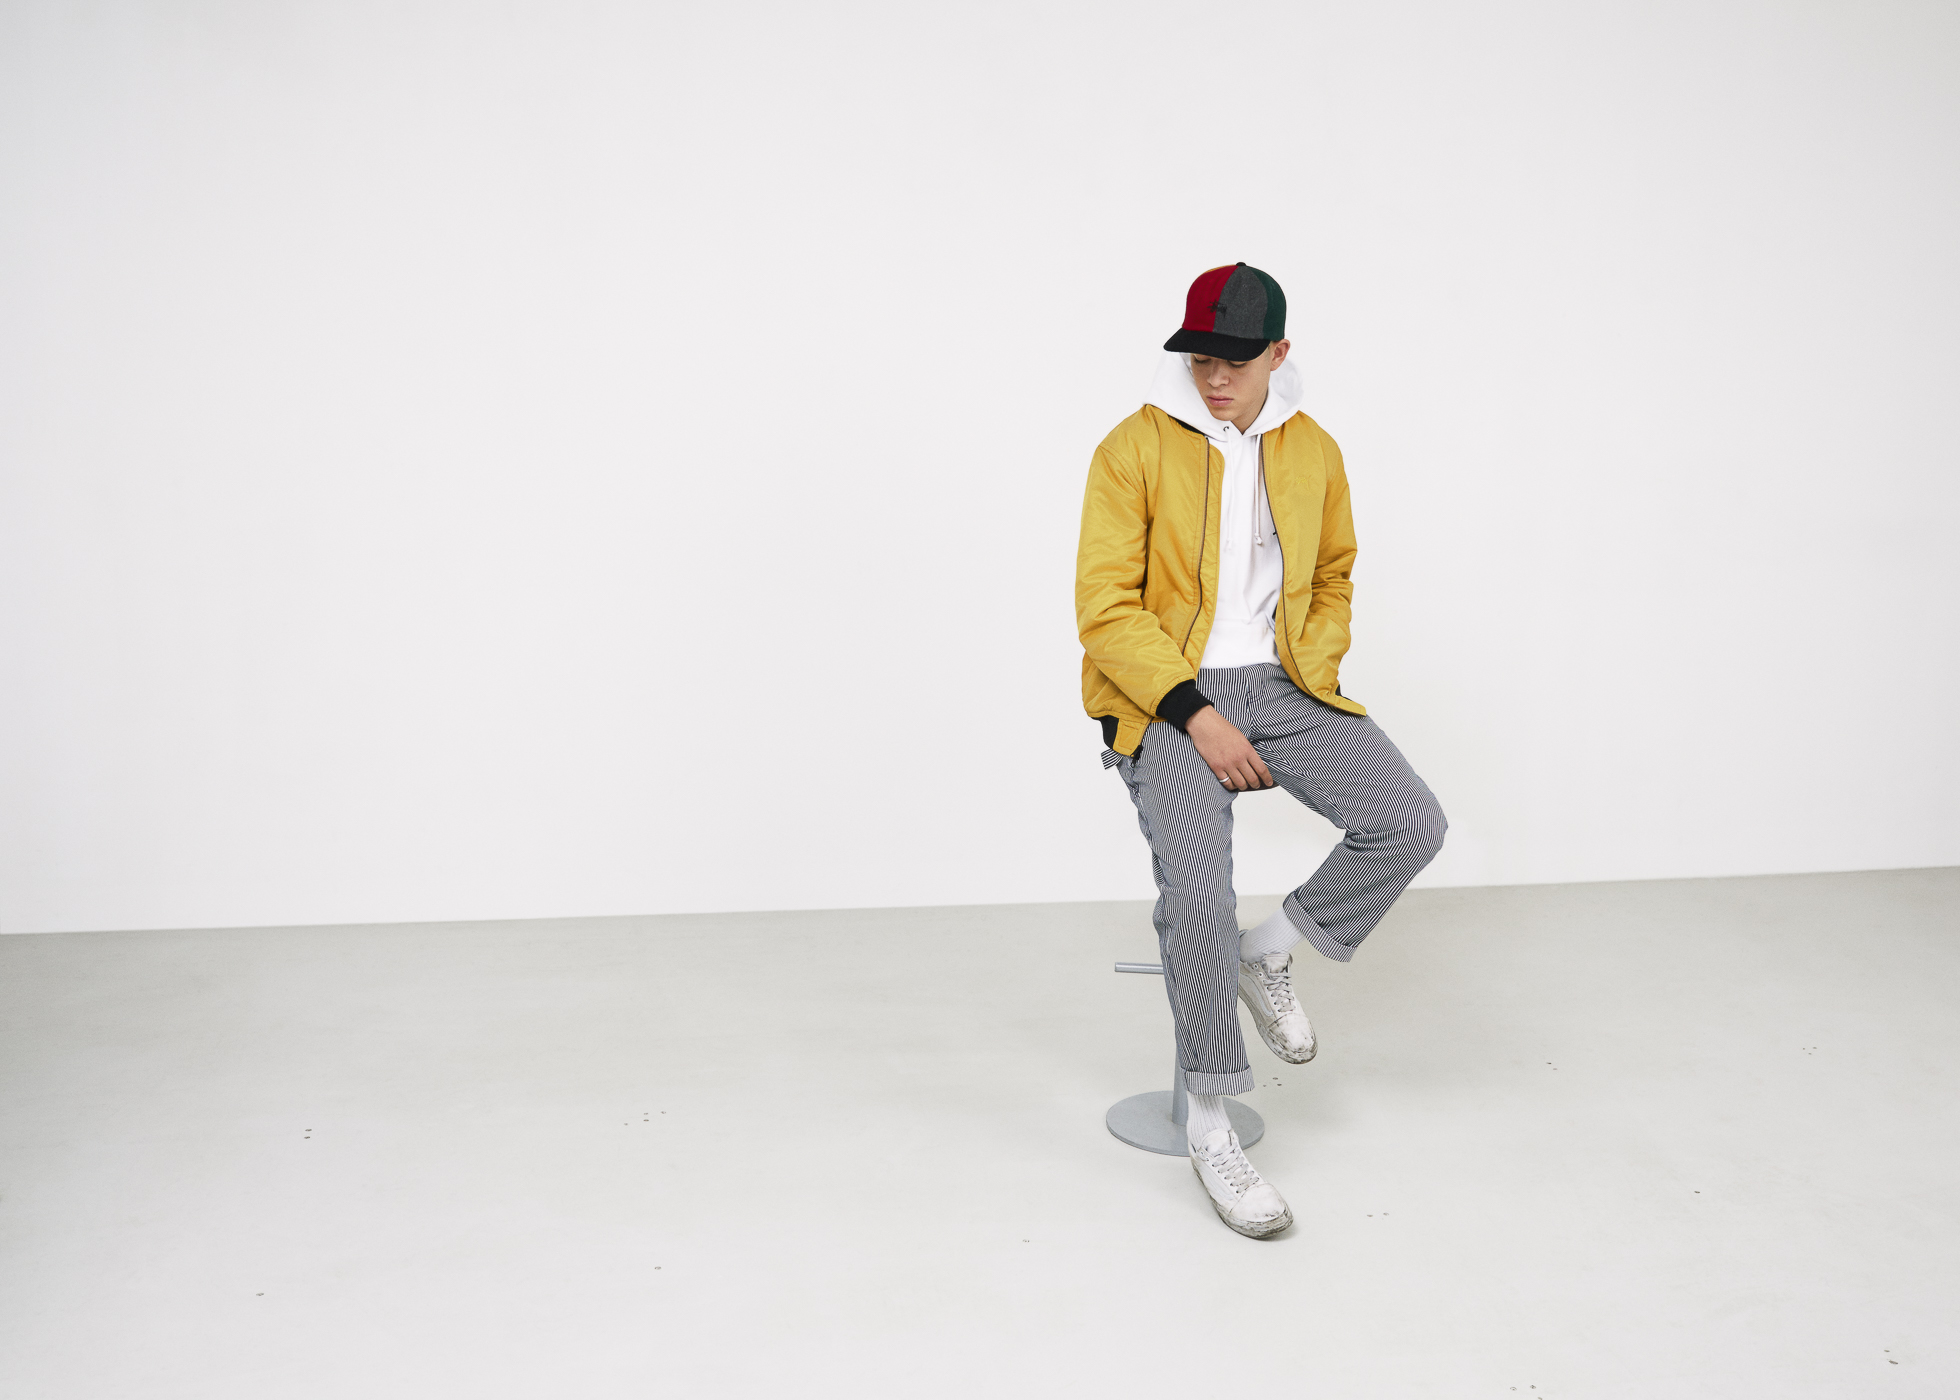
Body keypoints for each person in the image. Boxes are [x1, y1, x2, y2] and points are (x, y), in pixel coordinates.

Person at [1075, 262, 1447, 1238]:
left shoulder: (1312, 449)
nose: (1215, 378)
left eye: (1236, 361)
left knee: (1409, 820)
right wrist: (1197, 712)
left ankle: (1268, 953)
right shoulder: (1133, 447)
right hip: (1164, 696)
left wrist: (1306, 671)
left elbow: (1333, 574)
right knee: (1197, 900)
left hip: (1281, 685)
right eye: (1201, 357)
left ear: (1279, 354)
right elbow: (1104, 608)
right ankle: (1210, 1121)